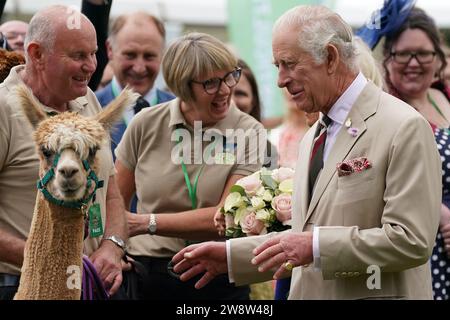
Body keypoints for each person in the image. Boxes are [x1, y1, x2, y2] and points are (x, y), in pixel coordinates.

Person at [172, 5, 441, 300]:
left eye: (288, 63)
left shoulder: (403, 126)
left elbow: (411, 241)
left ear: (330, 57)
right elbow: (303, 237)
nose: (281, 80)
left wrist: (313, 246)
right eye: (277, 66)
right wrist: (232, 257)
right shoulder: (314, 134)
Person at [114, 32, 265, 300]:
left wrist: (145, 222)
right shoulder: (145, 124)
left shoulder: (249, 132)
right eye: (211, 83)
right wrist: (112, 250)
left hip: (215, 277)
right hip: (147, 275)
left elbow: (225, 216)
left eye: (230, 76)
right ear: (182, 87)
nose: (225, 89)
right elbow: (113, 203)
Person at [0, 5, 127, 300]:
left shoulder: (86, 101)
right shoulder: (4, 109)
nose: (92, 65)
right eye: (78, 56)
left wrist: (112, 246)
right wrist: (51, 259)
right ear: (37, 54)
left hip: (91, 285)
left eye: (93, 53)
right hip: (17, 284)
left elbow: (112, 192)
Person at [382, 7, 450, 300]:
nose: (413, 62)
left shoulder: (444, 95)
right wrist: (444, 217)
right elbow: (386, 177)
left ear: (437, 58)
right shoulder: (383, 109)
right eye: (403, 54)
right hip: (423, 245)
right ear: (387, 58)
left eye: (423, 54)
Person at [96, 12, 174, 159]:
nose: (139, 68)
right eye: (130, 55)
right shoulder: (88, 111)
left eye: (149, 56)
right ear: (110, 50)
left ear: (163, 53)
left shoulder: (183, 112)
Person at [233, 58, 278, 170]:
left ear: (253, 101)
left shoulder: (267, 150)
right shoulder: (195, 142)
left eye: (240, 94)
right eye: (225, 94)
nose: (231, 102)